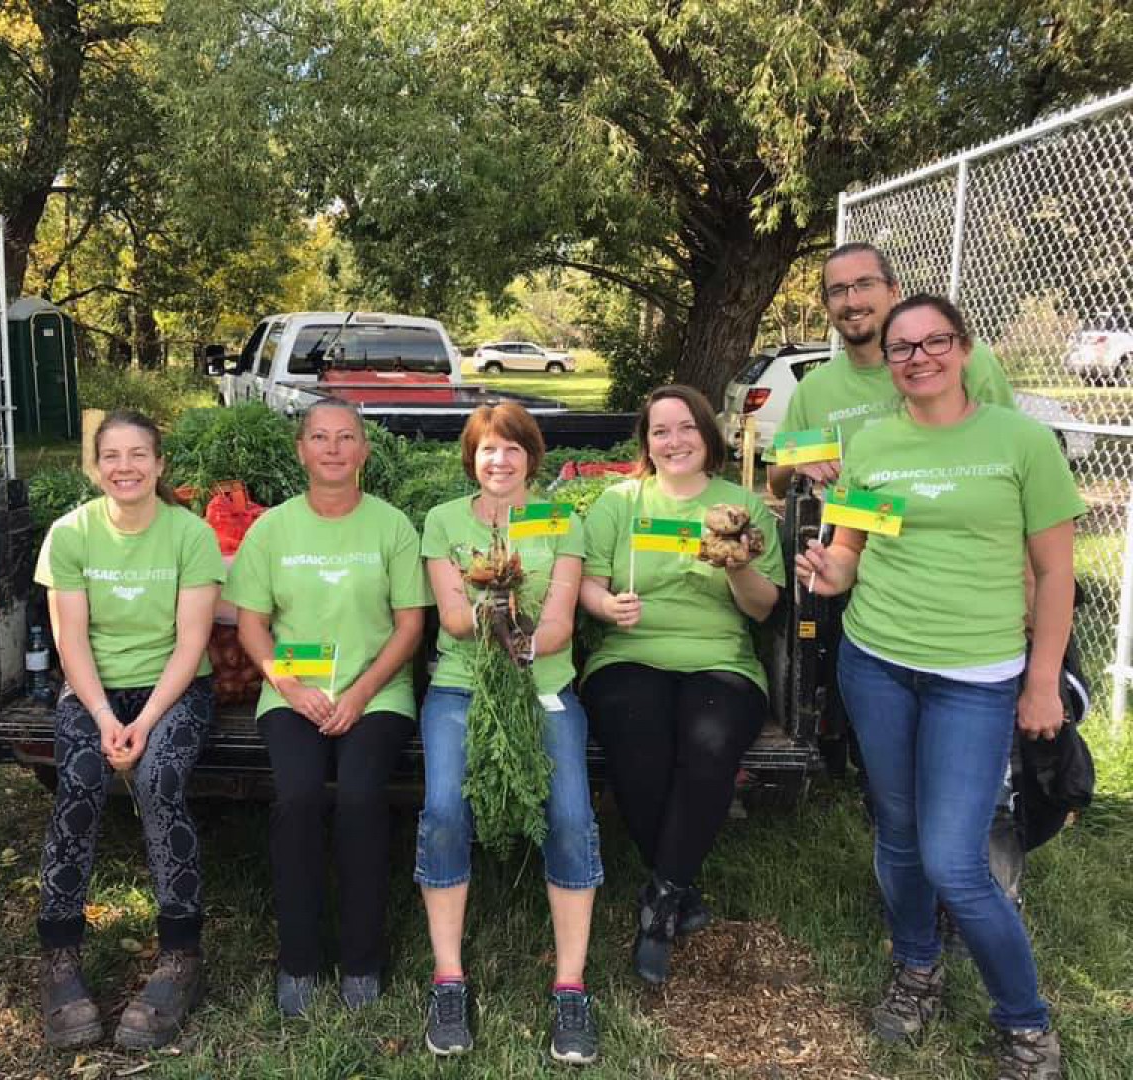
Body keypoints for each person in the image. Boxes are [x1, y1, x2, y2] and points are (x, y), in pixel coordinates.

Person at [797, 295, 1081, 1080]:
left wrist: (1043, 680)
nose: (918, 357)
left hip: (976, 676)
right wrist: (831, 571)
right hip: (877, 661)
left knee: (955, 859)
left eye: (934, 343)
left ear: (962, 349)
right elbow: (851, 547)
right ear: (886, 362)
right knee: (896, 831)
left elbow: (1057, 573)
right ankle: (917, 969)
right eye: (902, 348)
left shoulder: (1018, 441)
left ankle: (1026, 1025)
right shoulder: (874, 445)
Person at [224, 399, 426, 1017]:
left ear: (364, 452)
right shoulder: (272, 529)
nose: (333, 448)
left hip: (378, 691)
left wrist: (362, 693)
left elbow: (410, 624)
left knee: (363, 797)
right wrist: (290, 686)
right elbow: (253, 627)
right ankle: (300, 959)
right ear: (301, 451)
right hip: (293, 691)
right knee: (300, 796)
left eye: (345, 438)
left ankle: (362, 959)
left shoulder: (392, 526)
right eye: (319, 437)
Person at [417, 402, 603, 1065]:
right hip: (462, 685)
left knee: (571, 816)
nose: (499, 461)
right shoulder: (443, 522)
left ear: (532, 457)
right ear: (472, 457)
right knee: (442, 810)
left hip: (543, 683)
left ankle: (570, 986)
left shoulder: (560, 521)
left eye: (512, 449)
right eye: (487, 449)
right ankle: (448, 979)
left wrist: (526, 646)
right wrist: (495, 604)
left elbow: (558, 624)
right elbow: (456, 620)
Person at [579, 386, 783, 987]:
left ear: (707, 435)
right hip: (630, 653)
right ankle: (679, 888)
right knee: (637, 742)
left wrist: (740, 567)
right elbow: (587, 583)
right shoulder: (620, 503)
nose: (674, 441)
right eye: (660, 431)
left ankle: (662, 899)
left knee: (710, 745)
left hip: (718, 657)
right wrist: (608, 606)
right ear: (646, 443)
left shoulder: (742, 508)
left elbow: (765, 607)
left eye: (685, 428)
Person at [33, 410, 223, 1050]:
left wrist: (142, 722)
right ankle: (59, 955)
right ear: (95, 466)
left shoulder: (189, 535)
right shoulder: (69, 534)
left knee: (160, 779)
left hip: (175, 689)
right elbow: (72, 641)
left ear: (160, 463)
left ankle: (180, 955)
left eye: (138, 454)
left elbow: (192, 642)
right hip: (93, 690)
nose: (125, 468)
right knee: (80, 783)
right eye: (111, 456)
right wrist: (107, 718)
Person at [767, 242, 1015, 499]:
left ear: (893, 291)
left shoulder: (958, 360)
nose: (853, 300)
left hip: (956, 525)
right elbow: (776, 480)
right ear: (827, 305)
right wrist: (803, 461)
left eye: (865, 284)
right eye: (838, 290)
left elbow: (1011, 451)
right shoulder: (814, 388)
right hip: (858, 525)